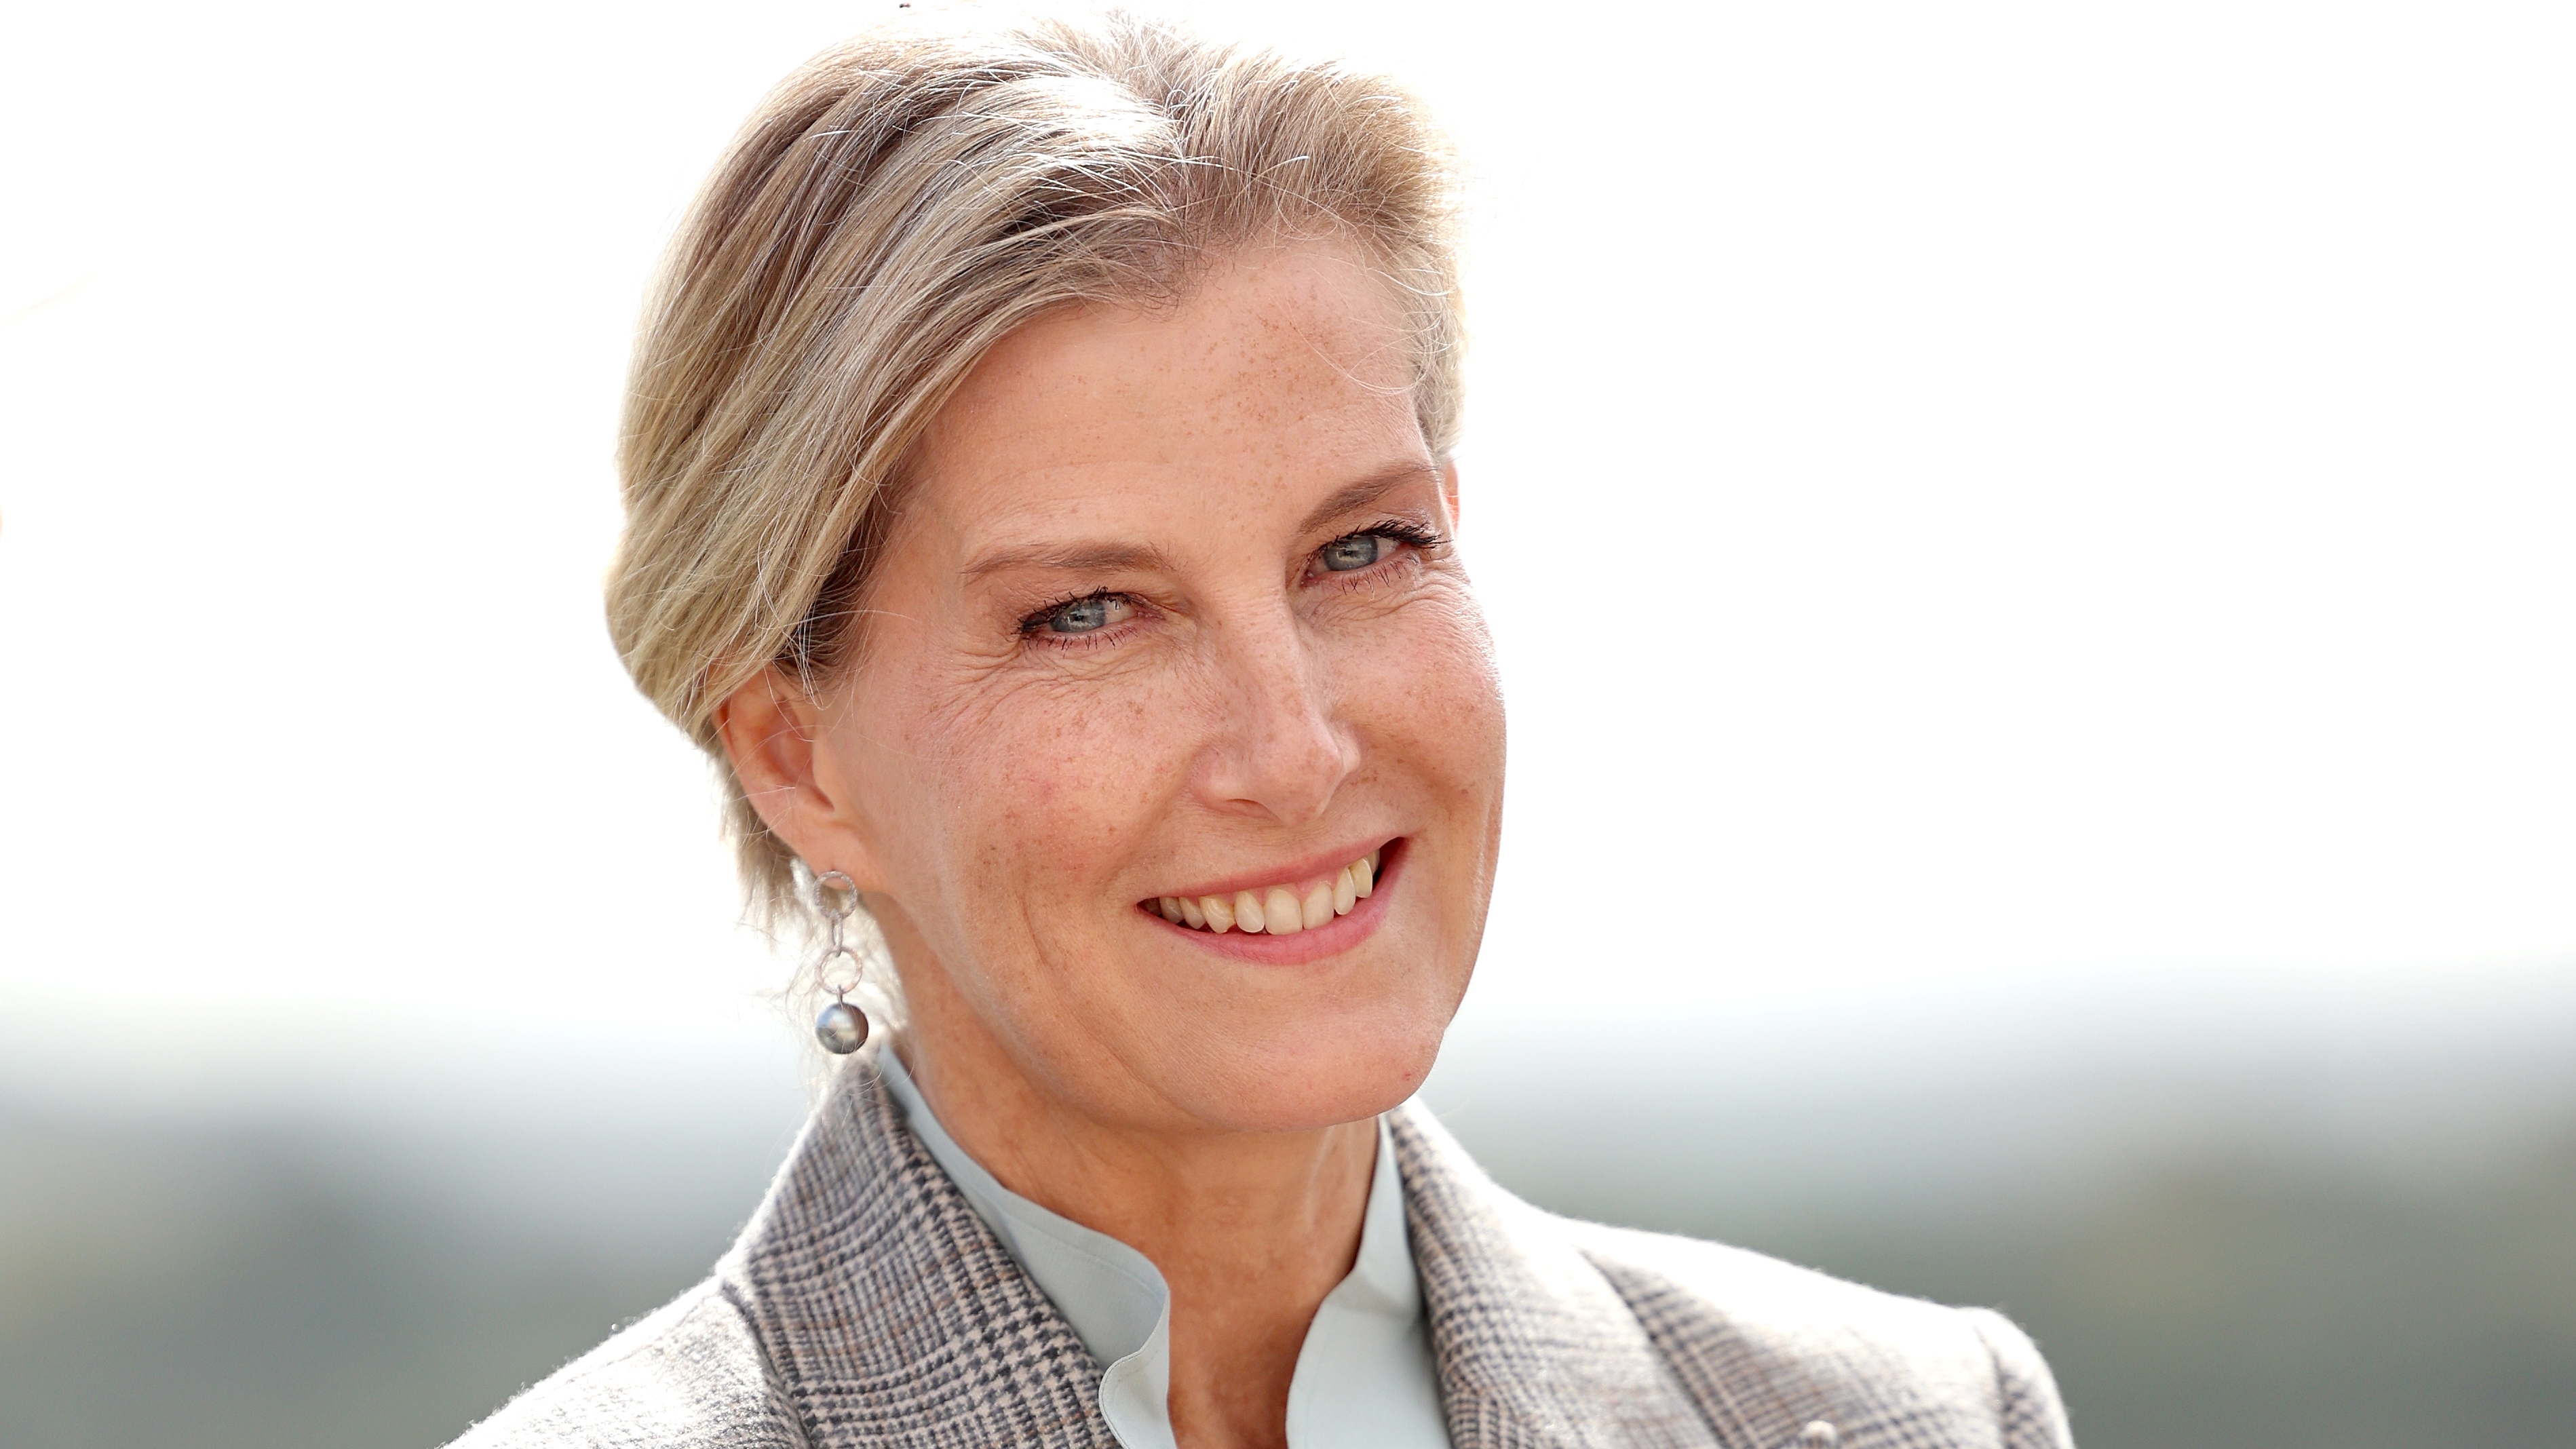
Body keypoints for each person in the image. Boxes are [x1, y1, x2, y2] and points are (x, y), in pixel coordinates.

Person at [452, 10, 2073, 1448]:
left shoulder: (1912, 1420)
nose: (1293, 747)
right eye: (1089, 612)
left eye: (1362, 550)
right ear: (794, 756)